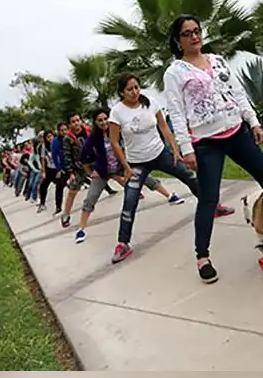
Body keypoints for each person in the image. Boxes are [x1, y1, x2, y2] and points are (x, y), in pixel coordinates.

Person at [163, 14, 263, 283]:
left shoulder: (217, 60)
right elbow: (177, 113)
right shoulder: (175, 73)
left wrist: (253, 122)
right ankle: (202, 256)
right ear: (178, 40)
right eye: (187, 33)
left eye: (197, 30)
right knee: (209, 199)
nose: (194, 36)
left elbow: (237, 93)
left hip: (236, 131)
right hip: (206, 143)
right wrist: (186, 148)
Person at [109, 72, 235, 269]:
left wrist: (176, 151)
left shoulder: (150, 102)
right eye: (129, 89)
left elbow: (164, 128)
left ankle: (213, 207)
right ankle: (122, 243)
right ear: (121, 92)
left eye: (136, 87)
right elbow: (115, 143)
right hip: (137, 163)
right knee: (130, 200)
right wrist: (125, 167)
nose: (134, 92)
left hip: (160, 153)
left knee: (190, 177)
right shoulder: (117, 112)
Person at [71, 108, 186, 243]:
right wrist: (90, 173)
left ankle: (170, 196)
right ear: (95, 123)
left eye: (105, 119)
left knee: (147, 180)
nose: (103, 122)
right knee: (91, 198)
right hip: (103, 171)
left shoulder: (117, 132)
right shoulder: (93, 138)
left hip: (122, 166)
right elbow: (84, 158)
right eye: (100, 120)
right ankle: (81, 229)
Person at [59, 112, 90, 228]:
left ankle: (136, 192)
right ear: (69, 125)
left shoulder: (88, 131)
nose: (76, 123)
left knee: (114, 174)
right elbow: (67, 156)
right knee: (72, 191)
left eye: (78, 120)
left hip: (92, 163)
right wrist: (71, 172)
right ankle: (66, 214)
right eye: (73, 122)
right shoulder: (67, 138)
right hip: (78, 168)